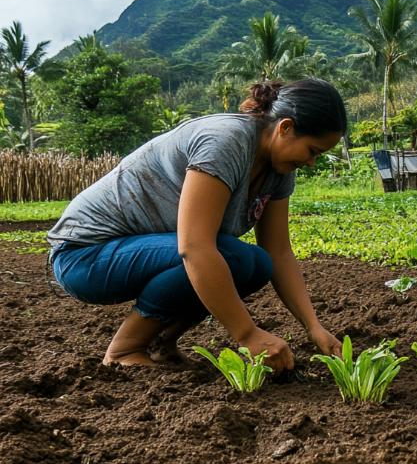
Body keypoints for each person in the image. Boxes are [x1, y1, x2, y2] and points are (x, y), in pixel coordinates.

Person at [47, 78, 347, 371]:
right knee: (233, 257)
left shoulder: (279, 168)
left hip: (137, 252)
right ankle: (126, 349)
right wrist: (247, 335)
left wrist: (313, 326)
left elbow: (279, 251)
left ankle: (160, 343)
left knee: (257, 263)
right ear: (285, 128)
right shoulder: (225, 141)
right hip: (85, 256)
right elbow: (194, 247)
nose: (311, 163)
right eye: (312, 151)